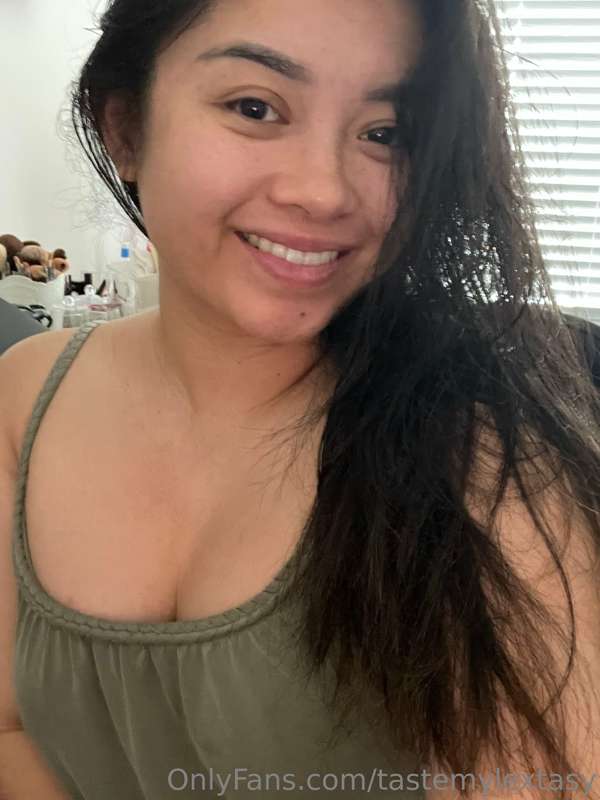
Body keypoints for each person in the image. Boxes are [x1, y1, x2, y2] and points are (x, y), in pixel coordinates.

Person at [1, 1, 600, 799]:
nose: (324, 192)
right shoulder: (26, 394)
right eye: (255, 107)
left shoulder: (486, 456)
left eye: (384, 132)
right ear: (126, 130)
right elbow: (12, 731)